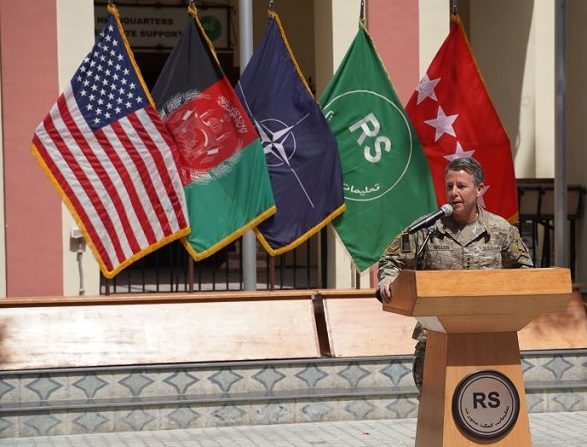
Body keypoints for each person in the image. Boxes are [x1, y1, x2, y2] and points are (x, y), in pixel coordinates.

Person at [376, 157, 533, 392]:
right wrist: (388, 278)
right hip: (436, 335)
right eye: (449, 186)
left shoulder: (501, 230)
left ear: (479, 189)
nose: (453, 192)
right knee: (436, 406)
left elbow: (525, 272)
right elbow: (391, 259)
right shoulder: (427, 229)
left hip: (488, 335)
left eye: (461, 186)